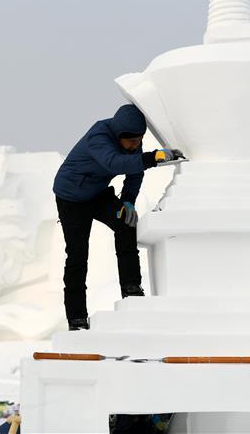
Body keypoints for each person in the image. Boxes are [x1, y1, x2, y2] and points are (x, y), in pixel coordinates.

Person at [52, 104, 184, 330]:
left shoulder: (131, 140)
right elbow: (114, 163)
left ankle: (131, 288)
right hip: (71, 198)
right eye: (131, 141)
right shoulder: (99, 137)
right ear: (118, 135)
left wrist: (128, 201)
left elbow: (134, 171)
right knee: (77, 255)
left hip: (97, 193)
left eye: (139, 140)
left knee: (126, 222)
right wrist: (154, 158)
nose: (135, 145)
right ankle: (76, 318)